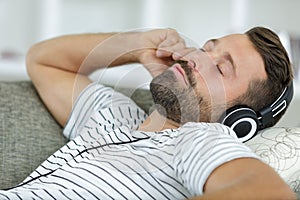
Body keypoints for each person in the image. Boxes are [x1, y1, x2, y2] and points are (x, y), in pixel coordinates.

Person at [0, 27, 296, 199]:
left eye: (220, 69)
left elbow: (269, 194)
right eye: (207, 49)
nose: (196, 59)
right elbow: (42, 60)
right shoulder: (113, 115)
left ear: (238, 122)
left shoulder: (199, 140)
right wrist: (138, 46)